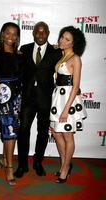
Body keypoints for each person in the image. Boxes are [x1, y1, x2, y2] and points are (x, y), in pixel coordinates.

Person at [14, 21, 62, 178]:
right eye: (38, 31)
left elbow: (63, 72)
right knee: (23, 131)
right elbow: (16, 67)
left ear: (48, 33)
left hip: (45, 100)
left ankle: (37, 162)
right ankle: (22, 165)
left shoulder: (55, 52)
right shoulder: (24, 49)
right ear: (33, 33)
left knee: (42, 132)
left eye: (44, 32)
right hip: (27, 99)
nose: (41, 34)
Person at [49, 26, 87, 183]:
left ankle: (64, 169)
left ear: (74, 43)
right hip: (58, 97)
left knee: (67, 135)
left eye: (67, 39)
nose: (62, 40)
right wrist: (57, 46)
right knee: (56, 133)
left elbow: (76, 86)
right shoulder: (62, 56)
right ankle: (66, 163)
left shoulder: (75, 59)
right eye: (62, 37)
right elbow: (56, 47)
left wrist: (66, 110)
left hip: (68, 101)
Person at [0, 22, 23, 185]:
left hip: (17, 95)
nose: (11, 36)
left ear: (17, 37)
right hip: (3, 93)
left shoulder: (19, 54)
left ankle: (4, 159)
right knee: (10, 129)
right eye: (8, 33)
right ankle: (9, 167)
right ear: (2, 34)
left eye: (14, 33)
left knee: (12, 128)